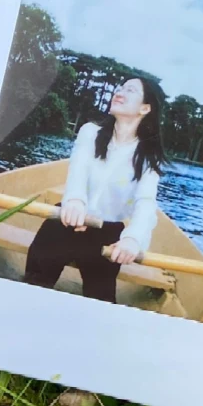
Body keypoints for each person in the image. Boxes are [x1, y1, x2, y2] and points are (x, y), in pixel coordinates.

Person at [24, 78, 164, 303]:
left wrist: (132, 239)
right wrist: (75, 202)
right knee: (34, 281)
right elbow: (78, 170)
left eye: (129, 90)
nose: (119, 92)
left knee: (101, 298)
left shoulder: (148, 156)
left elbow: (146, 203)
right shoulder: (90, 132)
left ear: (145, 108)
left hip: (106, 232)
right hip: (68, 219)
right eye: (120, 88)